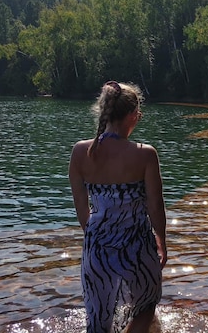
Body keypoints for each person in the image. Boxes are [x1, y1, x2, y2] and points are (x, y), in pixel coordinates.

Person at [68, 81, 168, 332]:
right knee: (144, 310)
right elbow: (155, 206)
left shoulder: (81, 152)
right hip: (137, 246)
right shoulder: (145, 154)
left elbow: (81, 209)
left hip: (97, 248)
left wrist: (97, 238)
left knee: (98, 322)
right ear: (133, 116)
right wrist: (162, 241)